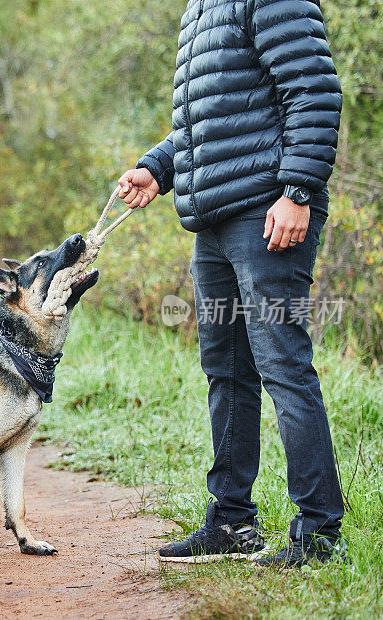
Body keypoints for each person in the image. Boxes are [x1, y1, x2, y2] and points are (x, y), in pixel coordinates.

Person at [116, 0, 347, 567]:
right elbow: (210, 125)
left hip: (268, 213)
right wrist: (159, 167)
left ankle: (318, 535)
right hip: (216, 221)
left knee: (282, 367)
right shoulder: (202, 9)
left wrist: (297, 191)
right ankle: (232, 521)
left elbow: (314, 92)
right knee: (226, 373)